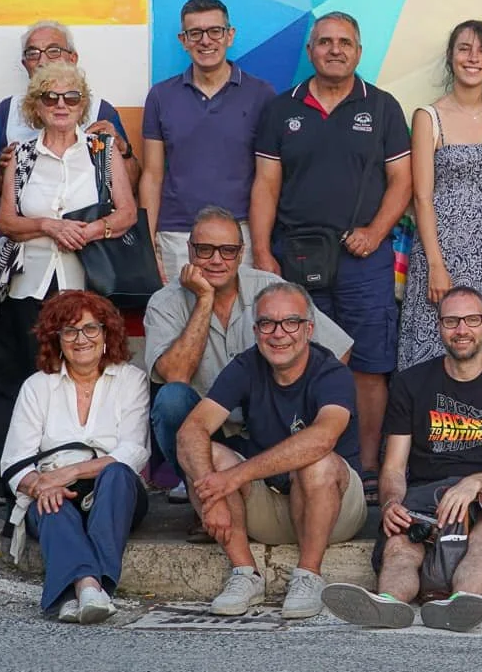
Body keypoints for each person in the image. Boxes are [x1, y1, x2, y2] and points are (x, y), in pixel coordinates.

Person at [322, 288, 482, 633]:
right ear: (439, 327)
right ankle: (388, 604)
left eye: (472, 320)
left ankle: (461, 603)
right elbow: (394, 466)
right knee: (399, 544)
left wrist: (473, 484)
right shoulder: (411, 383)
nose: (462, 330)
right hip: (426, 492)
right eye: (451, 321)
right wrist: (392, 502)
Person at [251, 10, 411, 478]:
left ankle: (363, 469)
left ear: (359, 52)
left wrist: (376, 232)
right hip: (295, 259)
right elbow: (265, 185)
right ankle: (303, 466)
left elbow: (402, 181)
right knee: (298, 361)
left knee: (369, 364)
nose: (335, 49)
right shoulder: (281, 110)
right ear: (311, 51)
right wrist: (262, 251)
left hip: (364, 260)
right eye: (325, 42)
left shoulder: (382, 107)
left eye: (345, 42)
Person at [0, 60, 138, 494]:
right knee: (11, 377)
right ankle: (10, 474)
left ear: (83, 103)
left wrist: (89, 231)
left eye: (71, 97)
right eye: (50, 96)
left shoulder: (102, 151)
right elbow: (8, 221)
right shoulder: (21, 154)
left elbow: (126, 213)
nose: (61, 104)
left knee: (74, 375)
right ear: (36, 105)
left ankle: (74, 468)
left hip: (83, 285)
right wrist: (49, 225)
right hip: (25, 280)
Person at [144, 205, 353, 520]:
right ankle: (204, 501)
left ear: (241, 253)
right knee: (171, 400)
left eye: (228, 250)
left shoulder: (270, 288)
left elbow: (337, 352)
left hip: (274, 425)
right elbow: (176, 375)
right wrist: (204, 300)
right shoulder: (165, 302)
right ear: (189, 250)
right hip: (210, 427)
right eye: (205, 249)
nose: (217, 260)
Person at [174, 282, 369, 618]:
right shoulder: (247, 365)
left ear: (308, 329)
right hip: (271, 503)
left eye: (290, 322)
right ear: (256, 330)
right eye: (268, 323)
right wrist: (210, 490)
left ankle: (309, 575)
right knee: (208, 454)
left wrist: (234, 477)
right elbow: (192, 429)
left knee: (315, 462)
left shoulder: (331, 372)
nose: (279, 334)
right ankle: (245, 575)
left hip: (332, 508)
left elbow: (323, 437)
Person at [0, 290, 152, 622]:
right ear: (57, 340)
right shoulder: (37, 386)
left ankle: (77, 590)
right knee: (50, 501)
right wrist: (42, 485)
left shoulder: (131, 380)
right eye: (70, 331)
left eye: (90, 329)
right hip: (55, 491)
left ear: (107, 333)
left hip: (112, 493)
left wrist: (69, 473)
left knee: (118, 472)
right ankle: (89, 588)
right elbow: (13, 462)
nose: (81, 339)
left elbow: (133, 451)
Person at [399, 20, 482, 368]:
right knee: (437, 345)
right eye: (464, 49)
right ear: (450, 57)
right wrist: (436, 267)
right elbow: (422, 197)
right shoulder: (429, 116)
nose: (474, 58)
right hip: (443, 253)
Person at [140, 0, 276, 285]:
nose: (206, 41)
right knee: (181, 324)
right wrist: (148, 243)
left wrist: (261, 245)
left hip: (240, 235)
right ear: (183, 40)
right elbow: (152, 175)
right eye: (195, 33)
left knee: (243, 325)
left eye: (215, 31)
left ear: (229, 35)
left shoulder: (262, 95)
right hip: (177, 235)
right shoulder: (161, 96)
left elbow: (268, 179)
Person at [0, 21, 136, 200]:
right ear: (25, 64)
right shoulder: (7, 111)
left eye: (53, 51)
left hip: (87, 225)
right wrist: (5, 174)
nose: (42, 61)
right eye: (33, 53)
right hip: (21, 226)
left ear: (72, 59)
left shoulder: (101, 111)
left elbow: (131, 185)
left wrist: (123, 150)